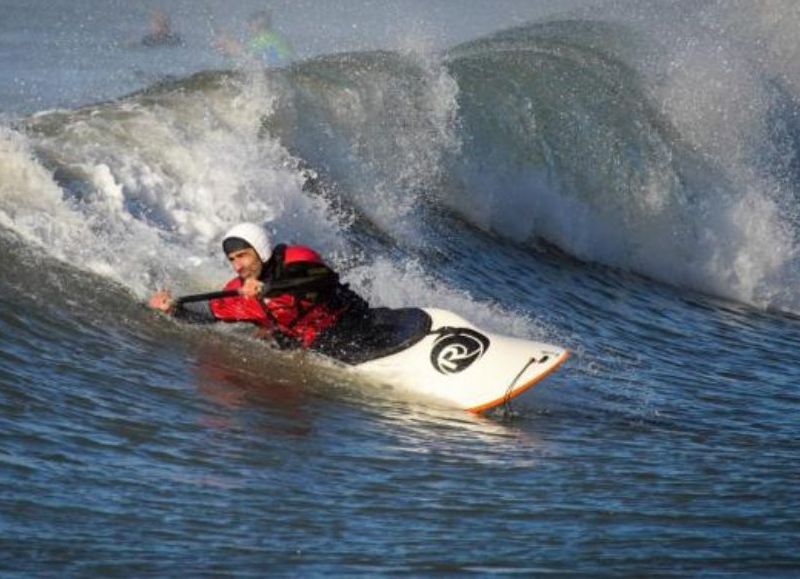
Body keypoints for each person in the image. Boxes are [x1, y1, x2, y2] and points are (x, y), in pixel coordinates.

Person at [148, 223, 372, 355]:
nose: (237, 266)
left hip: (351, 322)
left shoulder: (295, 258)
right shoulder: (238, 291)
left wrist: (268, 288)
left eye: (243, 255)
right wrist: (173, 309)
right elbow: (208, 316)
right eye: (232, 259)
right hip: (314, 345)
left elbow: (324, 279)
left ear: (261, 250)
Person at [214, 10, 293, 66]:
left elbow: (242, 51)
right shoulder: (276, 35)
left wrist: (226, 42)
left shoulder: (263, 37)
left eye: (250, 24)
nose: (247, 28)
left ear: (256, 24)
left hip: (278, 66)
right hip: (287, 65)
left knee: (251, 61)